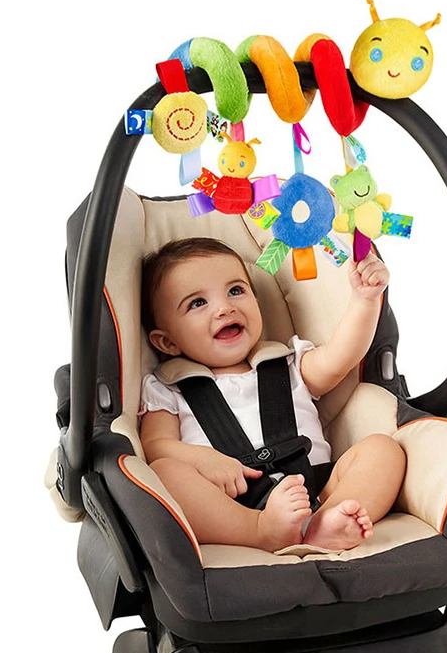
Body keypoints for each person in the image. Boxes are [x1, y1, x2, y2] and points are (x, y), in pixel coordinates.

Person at [139, 237, 406, 553]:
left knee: (384, 448)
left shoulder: (289, 362)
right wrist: (202, 460)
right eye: (198, 303)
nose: (225, 308)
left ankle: (327, 522)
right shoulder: (167, 388)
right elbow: (155, 446)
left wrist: (365, 300)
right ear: (167, 342)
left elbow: (340, 358)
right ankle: (260, 531)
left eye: (235, 291)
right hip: (231, 500)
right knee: (165, 473)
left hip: (316, 489)